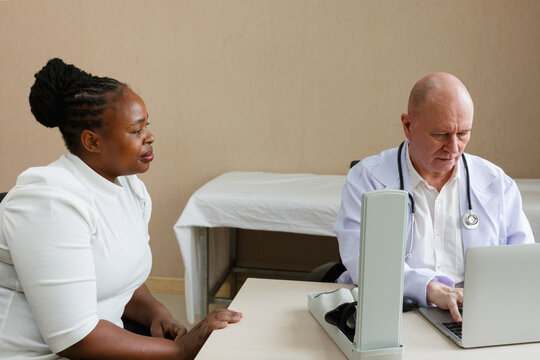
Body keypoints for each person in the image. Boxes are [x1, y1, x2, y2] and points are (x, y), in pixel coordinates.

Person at [0, 58, 241, 359]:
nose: (150, 137)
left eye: (147, 126)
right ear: (92, 141)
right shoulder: (50, 203)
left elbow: (119, 277)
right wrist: (180, 349)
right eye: (136, 130)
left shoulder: (129, 187)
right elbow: (76, 339)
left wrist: (157, 313)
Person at [334, 72, 534, 323]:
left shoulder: (497, 184)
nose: (453, 148)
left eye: (463, 134)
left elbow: (523, 263)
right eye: (440, 134)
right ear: (408, 126)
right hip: (395, 311)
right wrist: (429, 289)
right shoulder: (367, 180)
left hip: (473, 318)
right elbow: (362, 261)